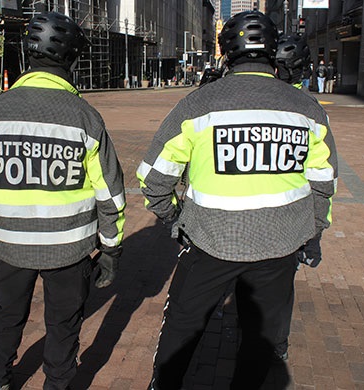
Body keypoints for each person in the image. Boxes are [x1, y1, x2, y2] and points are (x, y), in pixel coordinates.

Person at [137, 11, 337, 389]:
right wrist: (313, 234)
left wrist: (174, 220)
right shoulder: (307, 108)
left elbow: (153, 179)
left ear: (226, 52)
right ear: (273, 51)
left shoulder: (198, 104)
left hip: (210, 241)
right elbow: (323, 183)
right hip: (280, 245)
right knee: (260, 338)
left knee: (183, 325)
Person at [0, 12, 126, 390]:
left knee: (5, 318)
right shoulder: (86, 117)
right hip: (68, 250)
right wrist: (112, 249)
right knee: (63, 325)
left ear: (27, 53)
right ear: (71, 59)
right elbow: (110, 194)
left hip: (7, 246)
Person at [274, 32, 314, 362]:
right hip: (289, 221)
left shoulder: (301, 106)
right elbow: (322, 177)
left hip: (280, 218)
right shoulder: (308, 107)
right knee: (279, 287)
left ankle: (274, 346)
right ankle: (275, 347)